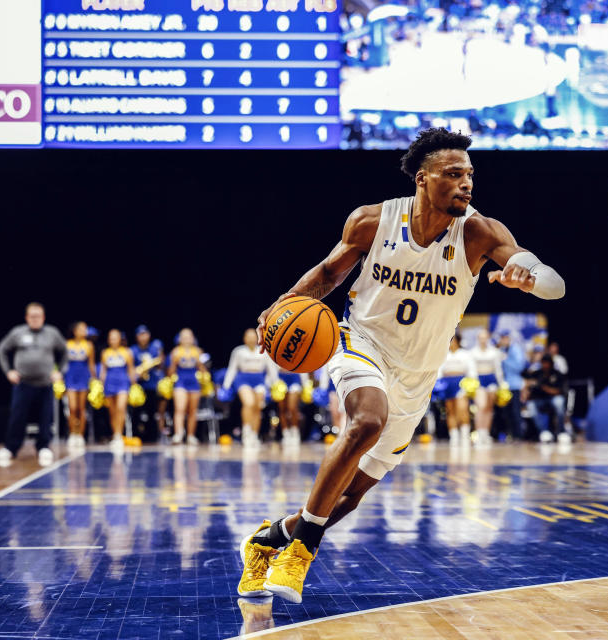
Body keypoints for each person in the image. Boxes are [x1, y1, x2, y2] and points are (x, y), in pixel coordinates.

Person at [238, 128, 564, 603]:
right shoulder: (373, 221)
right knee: (368, 418)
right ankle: (301, 552)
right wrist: (284, 304)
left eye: (469, 175)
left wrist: (528, 274)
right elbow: (330, 274)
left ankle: (268, 541)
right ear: (422, 179)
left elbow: (554, 284)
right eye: (453, 174)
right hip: (361, 341)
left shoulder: (480, 232)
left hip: (418, 374)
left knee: (348, 498)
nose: (466, 183)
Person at [0, 302, 67, 467]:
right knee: (17, 417)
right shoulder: (18, 333)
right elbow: (2, 350)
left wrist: (60, 372)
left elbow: (64, 352)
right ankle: (11, 448)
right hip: (23, 383)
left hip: (45, 383)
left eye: (38, 316)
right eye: (32, 316)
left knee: (46, 417)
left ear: (43, 317)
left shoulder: (52, 333)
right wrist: (8, 371)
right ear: (27, 317)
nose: (35, 319)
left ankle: (43, 447)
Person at [222, 328, 277, 448]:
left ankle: (254, 434)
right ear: (244, 338)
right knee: (248, 403)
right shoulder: (238, 351)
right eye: (249, 336)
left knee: (257, 407)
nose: (251, 339)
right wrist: (226, 386)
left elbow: (271, 370)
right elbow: (232, 369)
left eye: (254, 336)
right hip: (243, 379)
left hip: (259, 380)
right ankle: (246, 433)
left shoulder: (264, 351)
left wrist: (275, 384)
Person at [437, 334, 478, 447]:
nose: (451, 343)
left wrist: (471, 384)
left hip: (461, 383)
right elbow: (439, 370)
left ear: (458, 341)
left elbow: (472, 370)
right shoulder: (443, 355)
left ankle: (464, 436)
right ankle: (454, 437)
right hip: (446, 384)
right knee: (450, 410)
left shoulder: (465, 354)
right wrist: (439, 384)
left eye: (453, 340)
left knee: (462, 409)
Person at [168, 328, 207, 445]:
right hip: (180, 382)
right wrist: (174, 362)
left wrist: (201, 365)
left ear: (193, 338)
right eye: (184, 337)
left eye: (189, 337)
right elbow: (170, 373)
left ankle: (190, 436)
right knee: (180, 409)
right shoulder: (175, 352)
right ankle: (178, 434)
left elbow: (203, 370)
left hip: (194, 383)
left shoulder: (198, 352)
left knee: (192, 411)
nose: (186, 339)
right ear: (180, 339)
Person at [100, 329, 136, 451]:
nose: (113, 340)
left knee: (121, 408)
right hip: (110, 383)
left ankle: (119, 435)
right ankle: (115, 434)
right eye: (111, 338)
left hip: (123, 382)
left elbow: (130, 369)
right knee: (112, 411)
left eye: (115, 338)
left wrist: (134, 384)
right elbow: (103, 371)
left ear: (120, 339)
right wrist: (101, 385)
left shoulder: (127, 352)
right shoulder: (105, 353)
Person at [468, 328, 503, 447]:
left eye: (485, 337)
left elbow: (497, 369)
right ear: (478, 338)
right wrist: (474, 382)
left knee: (489, 407)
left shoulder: (494, 352)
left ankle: (485, 433)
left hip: (491, 379)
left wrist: (501, 384)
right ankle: (479, 432)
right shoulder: (472, 352)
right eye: (481, 337)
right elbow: (471, 369)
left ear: (488, 338)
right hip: (479, 379)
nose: (483, 340)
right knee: (481, 406)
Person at [64, 322, 96, 450]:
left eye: (85, 329)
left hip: (83, 378)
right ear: (75, 331)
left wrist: (94, 380)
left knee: (81, 408)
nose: (84, 331)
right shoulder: (67, 344)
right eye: (81, 329)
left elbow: (91, 364)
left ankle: (81, 435)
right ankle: (73, 434)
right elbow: (63, 363)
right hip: (70, 378)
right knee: (72, 407)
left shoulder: (89, 345)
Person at [524, 354, 569, 444]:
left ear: (551, 363)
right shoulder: (537, 374)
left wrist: (544, 387)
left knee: (559, 402)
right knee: (531, 405)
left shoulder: (557, 374)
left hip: (553, 399)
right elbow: (527, 381)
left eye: (547, 363)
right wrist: (529, 386)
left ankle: (561, 432)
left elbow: (560, 391)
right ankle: (544, 432)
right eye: (544, 363)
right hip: (540, 401)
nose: (546, 366)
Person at [130, 325, 164, 441]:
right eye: (140, 335)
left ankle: (152, 437)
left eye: (145, 334)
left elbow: (160, 365)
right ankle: (136, 435)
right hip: (138, 386)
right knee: (136, 412)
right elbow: (130, 367)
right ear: (136, 337)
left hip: (151, 384)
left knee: (152, 411)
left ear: (149, 335)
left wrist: (160, 355)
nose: (143, 337)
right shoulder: (133, 350)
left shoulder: (154, 348)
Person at [496, 331, 526, 441]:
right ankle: (510, 435)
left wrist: (506, 360)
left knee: (515, 411)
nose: (503, 340)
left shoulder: (516, 349)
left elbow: (519, 367)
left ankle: (518, 436)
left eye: (505, 338)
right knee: (506, 413)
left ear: (509, 338)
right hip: (504, 387)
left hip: (515, 385)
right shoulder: (502, 350)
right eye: (502, 338)